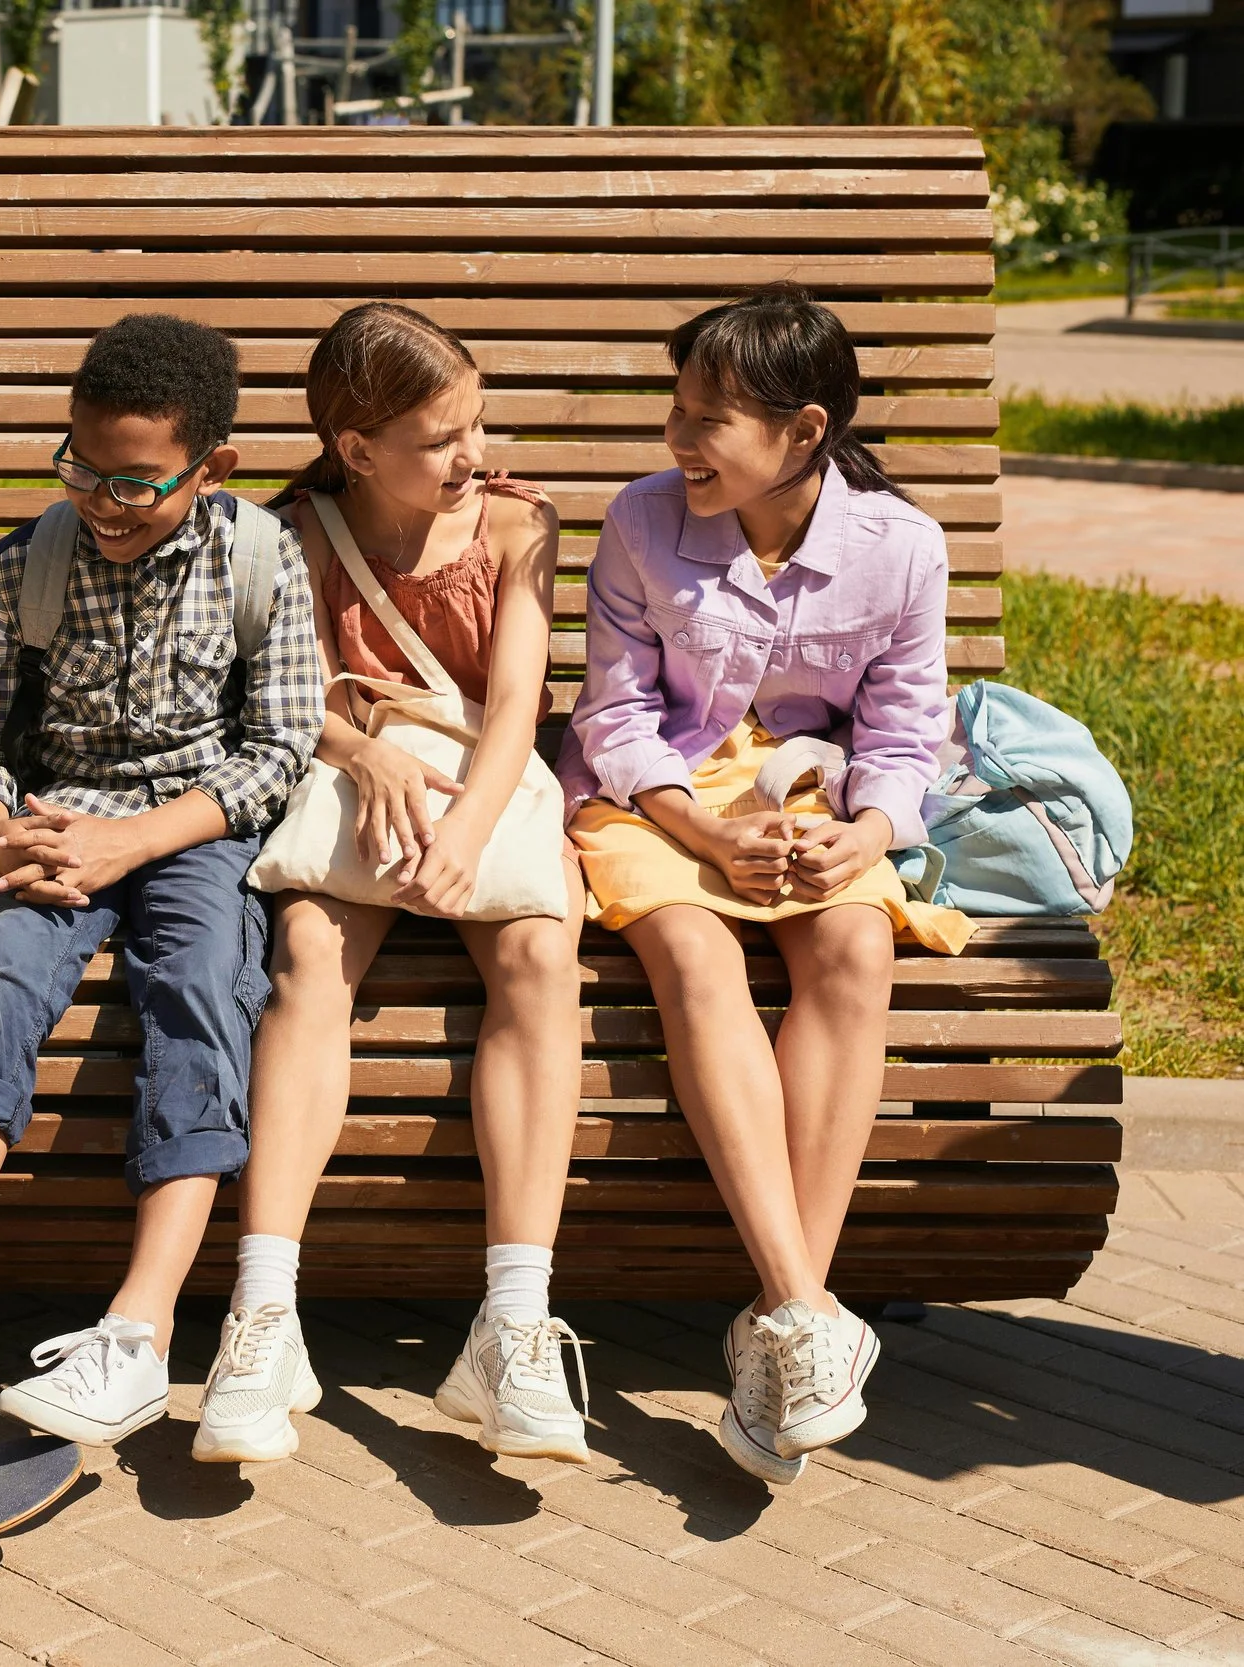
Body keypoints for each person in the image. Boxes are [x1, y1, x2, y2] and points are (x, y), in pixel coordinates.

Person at [0, 313, 323, 1464]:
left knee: (199, 989)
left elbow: (279, 747)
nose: (102, 499)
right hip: (52, 825)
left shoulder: (260, 559)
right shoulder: (20, 567)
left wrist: (137, 838)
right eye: (80, 468)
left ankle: (137, 1335)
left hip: (193, 830)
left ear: (213, 468)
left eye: (136, 483)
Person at [555, 282, 973, 1485]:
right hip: (655, 797)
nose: (677, 443)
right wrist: (700, 833)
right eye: (675, 412)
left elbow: (903, 733)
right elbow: (616, 715)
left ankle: (782, 1331)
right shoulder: (641, 523)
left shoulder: (899, 549)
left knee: (853, 946)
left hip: (810, 799)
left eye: (707, 421)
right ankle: (800, 1310)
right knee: (691, 949)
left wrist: (871, 835)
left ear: (802, 432)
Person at [199, 304, 591, 1466]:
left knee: (535, 949)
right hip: (353, 776)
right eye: (440, 436)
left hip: (484, 777)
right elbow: (269, 691)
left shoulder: (520, 523)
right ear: (357, 447)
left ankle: (512, 1323)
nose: (471, 453)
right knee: (308, 952)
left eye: (476, 421)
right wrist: (359, 750)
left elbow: (515, 702)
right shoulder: (295, 529)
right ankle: (262, 1312)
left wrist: (468, 829)